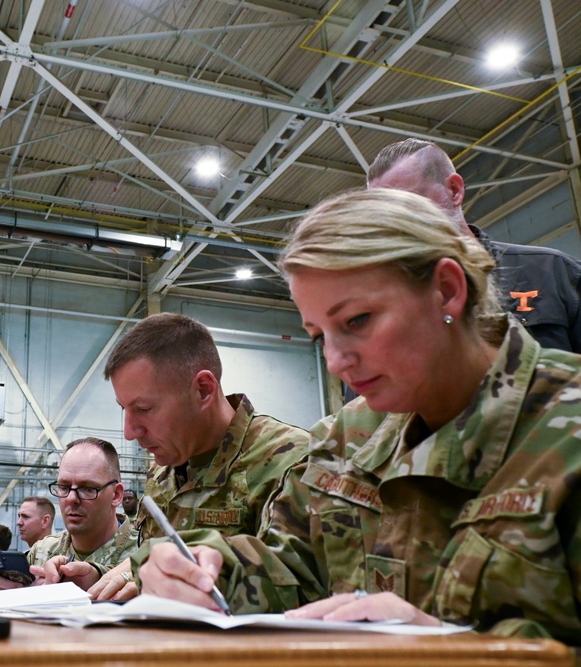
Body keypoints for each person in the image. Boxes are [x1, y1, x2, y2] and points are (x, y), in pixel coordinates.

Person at [136, 188, 581, 641]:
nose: (335, 361)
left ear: (446, 291)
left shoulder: (566, 427)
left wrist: (460, 648)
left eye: (357, 321)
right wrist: (207, 572)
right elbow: (295, 569)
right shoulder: (348, 436)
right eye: (319, 336)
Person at [89, 312, 309, 601]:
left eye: (143, 409)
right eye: (124, 409)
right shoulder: (164, 470)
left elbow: (302, 589)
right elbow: (149, 560)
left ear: (203, 390)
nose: (129, 431)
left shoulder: (293, 461)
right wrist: (99, 574)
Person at [368, 138, 581, 353]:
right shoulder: (386, 311)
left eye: (410, 205)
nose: (400, 225)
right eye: (388, 216)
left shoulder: (553, 274)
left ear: (454, 190)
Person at [0, 438, 136, 592]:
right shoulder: (41, 552)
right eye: (64, 487)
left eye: (88, 488)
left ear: (116, 495)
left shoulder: (145, 554)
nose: (71, 498)